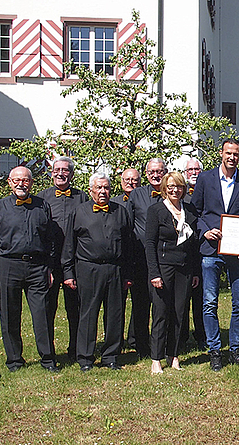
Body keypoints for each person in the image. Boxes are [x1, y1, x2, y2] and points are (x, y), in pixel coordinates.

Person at [192, 138, 239, 371]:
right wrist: (205, 231)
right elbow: (195, 213)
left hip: (237, 252)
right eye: (228, 153)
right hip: (210, 250)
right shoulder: (205, 179)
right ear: (221, 153)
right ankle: (215, 350)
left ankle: (236, 349)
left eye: (236, 154)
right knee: (209, 302)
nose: (232, 157)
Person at [62, 172, 134, 372]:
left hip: (115, 269)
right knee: (88, 313)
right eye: (99, 188)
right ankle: (85, 357)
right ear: (91, 190)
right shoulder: (79, 212)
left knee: (115, 314)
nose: (103, 191)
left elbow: (128, 246)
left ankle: (110, 356)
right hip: (88, 268)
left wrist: (128, 274)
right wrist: (68, 273)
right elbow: (69, 245)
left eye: (106, 188)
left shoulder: (121, 212)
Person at [0, 166, 58, 372]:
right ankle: (14, 360)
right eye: (16, 180)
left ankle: (48, 359)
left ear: (31, 183)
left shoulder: (42, 206)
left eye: (25, 180)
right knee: (9, 314)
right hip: (8, 265)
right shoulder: (1, 207)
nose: (20, 184)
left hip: (38, 267)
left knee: (42, 314)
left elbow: (50, 239)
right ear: (9, 182)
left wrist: (49, 268)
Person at [146, 172, 199, 374]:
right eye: (170, 186)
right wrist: (154, 273)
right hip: (163, 267)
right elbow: (150, 244)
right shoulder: (156, 210)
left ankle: (174, 355)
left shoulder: (190, 211)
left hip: (184, 269)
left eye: (178, 186)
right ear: (164, 189)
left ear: (183, 188)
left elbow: (193, 246)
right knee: (160, 313)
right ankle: (156, 358)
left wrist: (194, 271)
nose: (175, 190)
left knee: (179, 313)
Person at [37, 156, 89, 361]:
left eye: (65, 170)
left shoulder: (82, 197)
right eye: (57, 169)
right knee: (47, 308)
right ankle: (48, 351)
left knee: (75, 308)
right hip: (49, 262)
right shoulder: (41, 199)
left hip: (75, 262)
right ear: (52, 173)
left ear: (71, 174)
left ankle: (76, 349)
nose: (60, 173)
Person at [127, 158, 168, 358]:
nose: (155, 175)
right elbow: (129, 224)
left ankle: (162, 343)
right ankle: (141, 345)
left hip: (166, 258)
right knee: (141, 303)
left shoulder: (171, 193)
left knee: (162, 304)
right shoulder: (136, 194)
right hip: (141, 258)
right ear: (146, 173)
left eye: (159, 171)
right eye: (151, 171)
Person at [181, 157, 206, 350]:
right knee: (182, 297)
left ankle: (201, 335)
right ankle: (181, 337)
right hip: (184, 251)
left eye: (197, 169)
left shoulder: (205, 192)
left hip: (202, 249)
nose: (194, 172)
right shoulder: (179, 195)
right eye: (190, 170)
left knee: (201, 298)